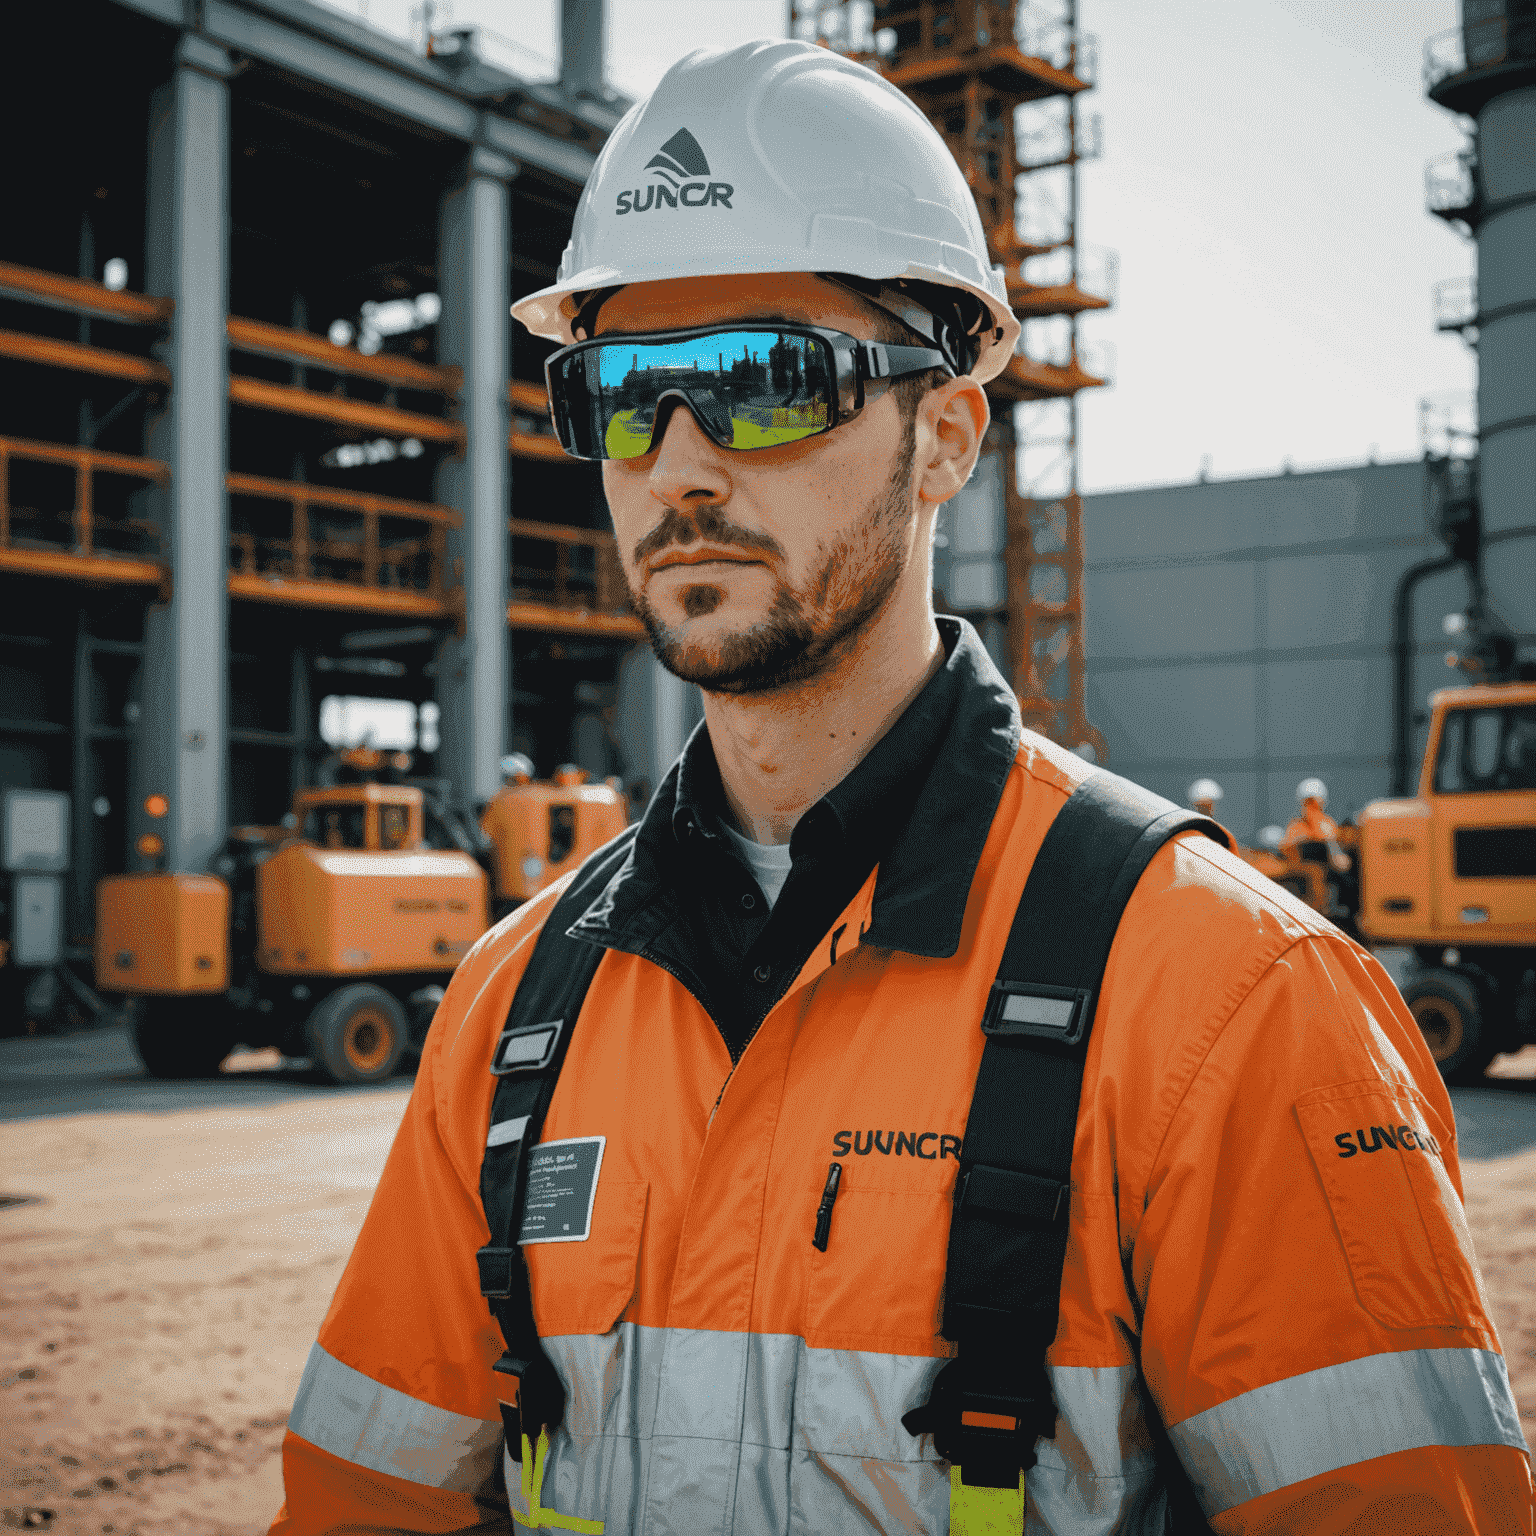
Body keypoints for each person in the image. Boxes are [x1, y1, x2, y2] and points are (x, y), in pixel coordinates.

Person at [268, 40, 1532, 1536]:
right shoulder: (510, 1011)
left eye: (759, 379)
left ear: (943, 437)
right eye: (620, 394)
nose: (677, 466)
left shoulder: (1227, 1004)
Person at [1282, 776, 1352, 875]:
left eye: (1313, 802)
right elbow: (1287, 856)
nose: (1310, 807)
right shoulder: (1296, 827)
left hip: (1328, 876)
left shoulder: (1328, 824)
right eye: (1308, 802)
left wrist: (1329, 841)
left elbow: (1341, 863)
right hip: (1303, 877)